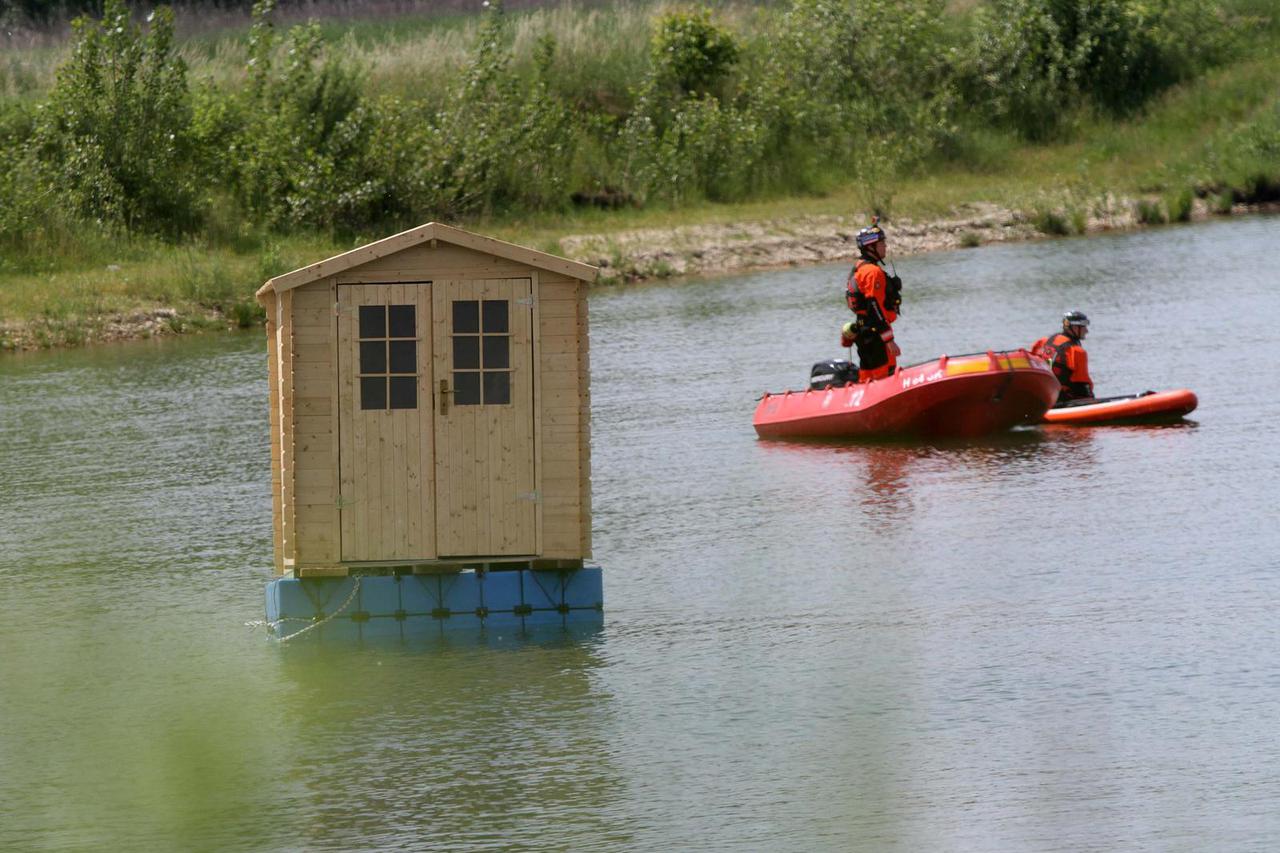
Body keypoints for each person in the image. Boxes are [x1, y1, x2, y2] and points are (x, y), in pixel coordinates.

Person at [840, 217, 903, 382]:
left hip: (864, 330)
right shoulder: (871, 272)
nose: (885, 246)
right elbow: (873, 305)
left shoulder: (859, 267)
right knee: (884, 378)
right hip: (876, 334)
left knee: (868, 379)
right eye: (882, 243)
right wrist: (888, 339)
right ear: (871, 246)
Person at [1031, 310, 1095, 404]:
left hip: (1042, 394)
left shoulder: (1043, 341)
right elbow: (1082, 383)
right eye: (1083, 327)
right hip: (1062, 398)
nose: (1086, 331)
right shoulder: (1077, 351)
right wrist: (1092, 400)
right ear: (1074, 327)